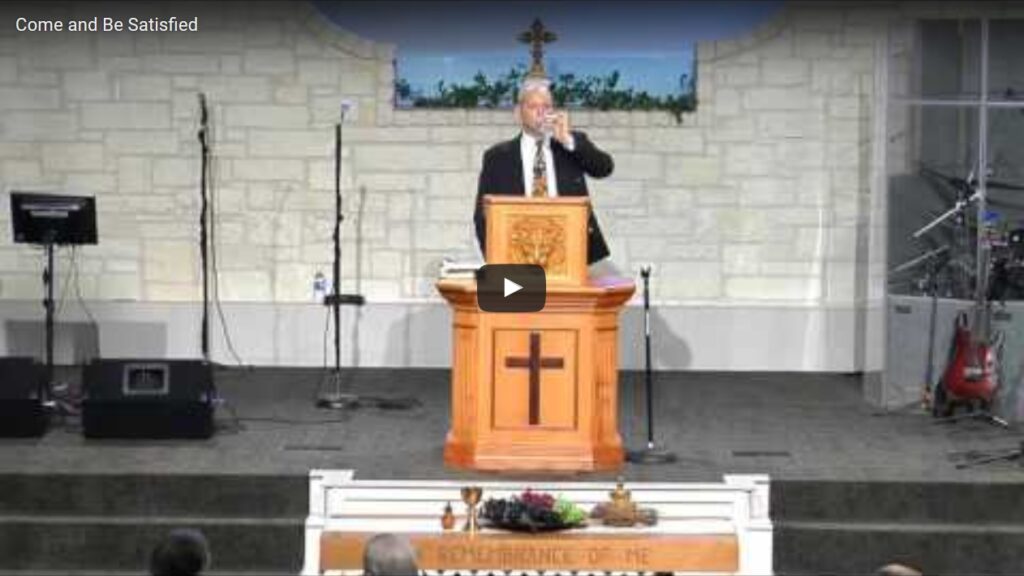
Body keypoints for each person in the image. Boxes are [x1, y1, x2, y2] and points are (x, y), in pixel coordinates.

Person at [474, 78, 615, 265]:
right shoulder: (497, 157)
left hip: (573, 252)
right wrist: (496, 260)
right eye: (533, 106)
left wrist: (567, 140)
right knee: (516, 294)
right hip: (518, 254)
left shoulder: (571, 143)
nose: (541, 112)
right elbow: (482, 216)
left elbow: (604, 168)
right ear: (518, 113)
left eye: (547, 106)